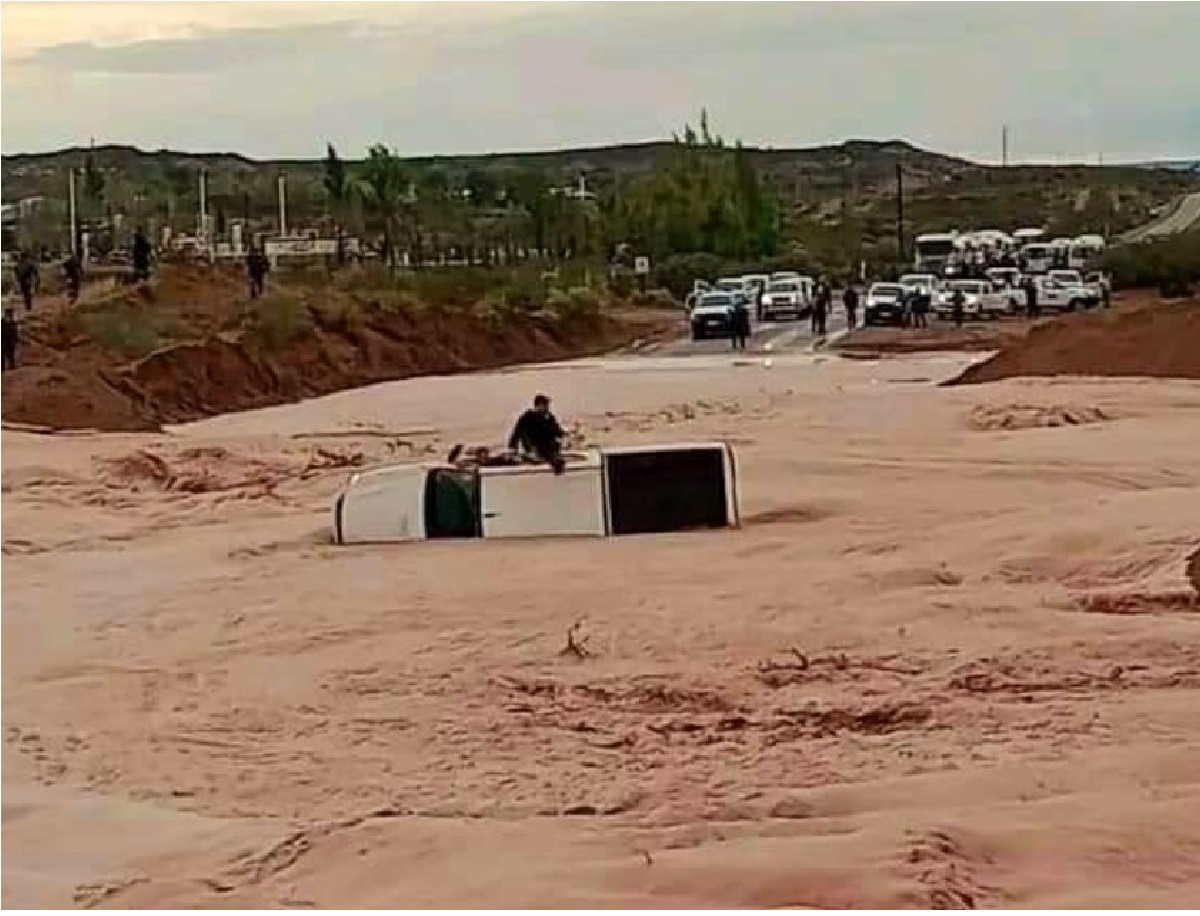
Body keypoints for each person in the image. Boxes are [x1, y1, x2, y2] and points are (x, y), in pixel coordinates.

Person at [508, 394, 567, 474]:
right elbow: (517, 432)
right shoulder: (528, 416)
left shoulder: (549, 417)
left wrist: (565, 434)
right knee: (553, 457)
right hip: (534, 447)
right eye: (545, 405)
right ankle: (550, 461)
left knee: (554, 449)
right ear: (539, 405)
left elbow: (557, 430)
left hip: (548, 446)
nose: (547, 407)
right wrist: (513, 448)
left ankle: (555, 461)